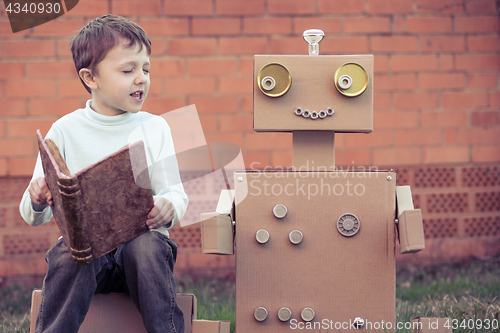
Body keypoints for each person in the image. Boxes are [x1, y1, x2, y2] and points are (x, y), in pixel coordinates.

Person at [19, 14, 188, 333]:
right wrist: (38, 197)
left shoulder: (154, 128)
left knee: (148, 246)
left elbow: (175, 194)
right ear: (91, 77)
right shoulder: (64, 130)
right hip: (86, 260)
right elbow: (32, 216)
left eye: (146, 68)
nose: (141, 78)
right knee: (71, 253)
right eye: (128, 70)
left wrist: (169, 206)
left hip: (139, 258)